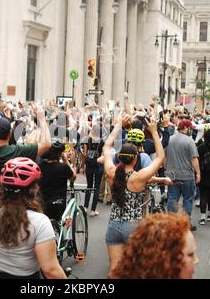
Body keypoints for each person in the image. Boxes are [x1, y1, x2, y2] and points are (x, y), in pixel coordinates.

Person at [0, 107, 66, 279]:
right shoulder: (40, 222)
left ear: (3, 182)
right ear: (34, 188)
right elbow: (51, 270)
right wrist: (41, 118)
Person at [0, 102, 51, 239]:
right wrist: (41, 118)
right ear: (9, 133)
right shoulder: (18, 151)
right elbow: (46, 143)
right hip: (15, 202)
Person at [103, 115, 165, 275]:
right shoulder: (138, 177)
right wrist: (154, 131)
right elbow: (160, 157)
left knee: (114, 269)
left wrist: (118, 125)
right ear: (136, 158)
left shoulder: (112, 172)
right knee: (136, 269)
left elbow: (106, 146)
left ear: (120, 158)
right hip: (134, 225)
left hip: (114, 224)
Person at [110, 212, 198, 279]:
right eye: (190, 254)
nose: (196, 260)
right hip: (131, 222)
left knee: (115, 266)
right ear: (164, 260)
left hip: (114, 224)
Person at [165, 119, 201, 231]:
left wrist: (166, 169)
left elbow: (164, 157)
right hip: (187, 176)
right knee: (188, 199)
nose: (190, 130)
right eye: (190, 128)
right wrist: (198, 173)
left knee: (172, 198)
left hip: (172, 175)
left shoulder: (169, 139)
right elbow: (194, 158)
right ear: (186, 128)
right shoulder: (189, 141)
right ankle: (186, 223)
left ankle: (171, 222)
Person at [39, 142, 76, 222]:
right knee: (59, 224)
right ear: (60, 154)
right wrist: (66, 160)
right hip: (59, 202)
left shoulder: (39, 166)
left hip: (42, 202)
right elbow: (73, 177)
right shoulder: (63, 167)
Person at [83, 124, 104, 217]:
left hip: (89, 164)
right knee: (96, 187)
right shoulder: (102, 141)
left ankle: (85, 207)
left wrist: (84, 165)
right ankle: (93, 210)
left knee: (89, 186)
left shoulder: (88, 140)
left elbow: (84, 153)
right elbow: (103, 154)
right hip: (98, 164)